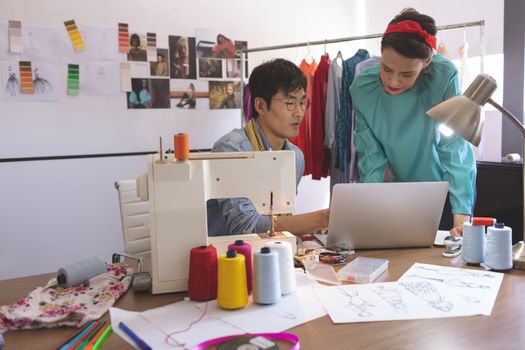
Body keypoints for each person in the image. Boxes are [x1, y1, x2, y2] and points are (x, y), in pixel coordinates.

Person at [350, 8, 476, 236]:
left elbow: (454, 147)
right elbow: (371, 158)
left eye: (407, 74)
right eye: (386, 69)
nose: (393, 81)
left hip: (449, 191)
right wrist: (371, 211)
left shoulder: (443, 76)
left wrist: (461, 216)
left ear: (427, 62)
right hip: (402, 193)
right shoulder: (363, 89)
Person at [207, 59, 329, 236]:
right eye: (290, 103)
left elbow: (280, 215)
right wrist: (322, 219)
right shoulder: (231, 149)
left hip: (273, 253)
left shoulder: (295, 157)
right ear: (260, 106)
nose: (299, 112)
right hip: (230, 258)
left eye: (302, 102)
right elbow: (245, 226)